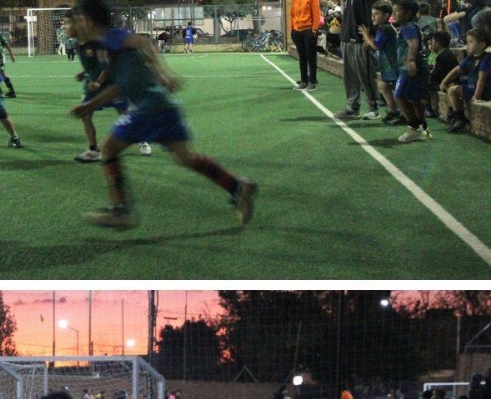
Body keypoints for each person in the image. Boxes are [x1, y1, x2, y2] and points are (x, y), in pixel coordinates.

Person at [69, 0, 256, 230]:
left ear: (89, 20)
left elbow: (144, 42)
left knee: (108, 148)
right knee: (186, 159)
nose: (76, 24)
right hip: (162, 107)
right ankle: (238, 187)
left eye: (78, 19)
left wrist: (163, 73)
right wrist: (90, 106)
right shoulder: (105, 47)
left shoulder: (111, 37)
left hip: (150, 108)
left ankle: (120, 211)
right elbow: (121, 86)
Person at [65, 10, 152, 164]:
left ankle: (141, 140)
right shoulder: (79, 44)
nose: (65, 27)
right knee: (86, 114)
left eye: (67, 23)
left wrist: (99, 81)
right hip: (91, 84)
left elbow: (109, 65)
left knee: (124, 114)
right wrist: (84, 73)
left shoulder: (97, 43)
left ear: (79, 24)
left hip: (110, 84)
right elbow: (94, 64)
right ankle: (93, 150)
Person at [392, 0, 433, 143]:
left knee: (399, 96)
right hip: (415, 67)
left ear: (408, 13)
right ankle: (423, 127)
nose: (394, 13)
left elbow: (413, 43)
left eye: (397, 10)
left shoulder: (409, 27)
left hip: (411, 67)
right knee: (415, 100)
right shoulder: (409, 26)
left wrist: (410, 62)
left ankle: (413, 126)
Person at [334, 0, 382, 118]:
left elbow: (373, 16)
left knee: (366, 75)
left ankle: (374, 108)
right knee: (350, 76)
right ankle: (352, 108)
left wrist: (368, 38)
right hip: (347, 38)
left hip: (360, 40)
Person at [440, 28, 491, 132]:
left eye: (471, 42)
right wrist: (444, 82)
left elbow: (482, 79)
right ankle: (453, 113)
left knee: (453, 90)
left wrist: (477, 95)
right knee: (450, 86)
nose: (468, 45)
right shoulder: (469, 59)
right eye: (467, 42)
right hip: (472, 86)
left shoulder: (486, 59)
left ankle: (460, 118)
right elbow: (456, 71)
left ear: (482, 44)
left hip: (482, 90)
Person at [359, 2, 401, 122]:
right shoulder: (382, 28)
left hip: (393, 65)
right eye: (372, 14)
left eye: (376, 14)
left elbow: (377, 46)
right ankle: (394, 111)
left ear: (386, 15)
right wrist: (368, 42)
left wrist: (367, 36)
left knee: (398, 91)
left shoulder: (385, 28)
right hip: (387, 64)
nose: (373, 17)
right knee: (382, 85)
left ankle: (405, 115)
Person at [427, 31, 461, 121]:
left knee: (424, 83)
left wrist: (430, 73)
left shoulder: (445, 56)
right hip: (444, 81)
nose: (431, 45)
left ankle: (428, 109)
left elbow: (436, 76)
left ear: (438, 44)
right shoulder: (443, 54)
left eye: (432, 42)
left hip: (447, 83)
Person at [291, 0, 321, 91]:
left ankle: (312, 82)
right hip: (297, 31)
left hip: (309, 30)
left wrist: (314, 30)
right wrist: (293, 28)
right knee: (302, 57)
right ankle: (304, 81)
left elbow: (316, 14)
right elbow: (292, 14)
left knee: (311, 57)